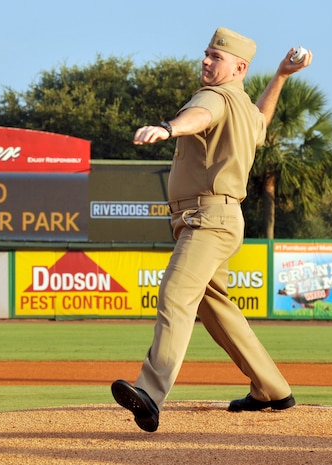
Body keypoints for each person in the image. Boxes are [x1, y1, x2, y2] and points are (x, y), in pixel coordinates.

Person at [111, 27, 312, 433]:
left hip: (205, 219)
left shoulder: (214, 98)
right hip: (221, 218)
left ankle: (151, 391)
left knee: (176, 294)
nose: (206, 60)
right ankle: (271, 388)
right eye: (205, 54)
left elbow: (198, 116)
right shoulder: (242, 107)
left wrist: (169, 127)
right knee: (213, 306)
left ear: (238, 67)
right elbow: (262, 119)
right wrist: (281, 76)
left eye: (215, 57)